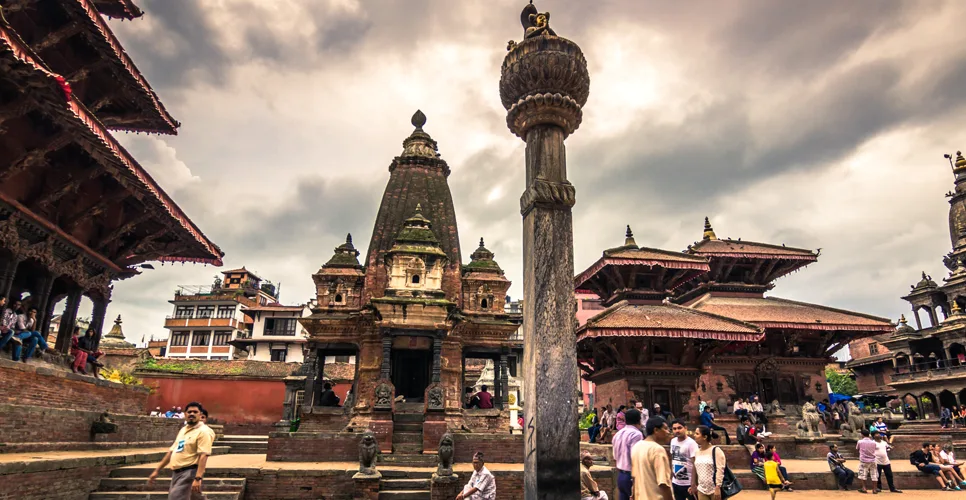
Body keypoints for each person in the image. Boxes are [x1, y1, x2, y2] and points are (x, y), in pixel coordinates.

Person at [148, 402, 214, 499]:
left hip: (189, 472)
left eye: (195, 412)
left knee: (175, 497)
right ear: (185, 414)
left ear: (200, 415)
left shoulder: (204, 432)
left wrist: (198, 478)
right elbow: (172, 451)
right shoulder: (184, 430)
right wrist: (157, 470)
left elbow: (204, 455)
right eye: (189, 412)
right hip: (177, 472)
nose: (192, 414)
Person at [630, 415, 672, 500]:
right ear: (656, 430)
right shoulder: (657, 450)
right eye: (665, 428)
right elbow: (663, 484)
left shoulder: (637, 446)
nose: (668, 432)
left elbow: (634, 478)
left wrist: (633, 495)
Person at [613, 408, 643, 500]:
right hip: (631, 475)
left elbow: (615, 456)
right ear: (639, 420)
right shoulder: (636, 434)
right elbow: (635, 457)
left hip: (621, 474)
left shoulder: (618, 434)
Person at [690, 425, 725, 500]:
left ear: (705, 437)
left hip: (714, 490)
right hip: (701, 490)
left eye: (697, 433)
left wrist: (718, 487)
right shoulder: (697, 452)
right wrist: (693, 485)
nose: (694, 435)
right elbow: (696, 469)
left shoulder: (716, 450)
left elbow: (720, 469)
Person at [669, 419, 697, 500]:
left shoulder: (691, 443)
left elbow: (695, 463)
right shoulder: (673, 441)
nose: (677, 430)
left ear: (685, 428)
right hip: (676, 482)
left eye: (679, 428)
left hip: (688, 483)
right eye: (674, 429)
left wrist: (693, 483)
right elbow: (672, 458)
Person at [856, 429, 879, 493]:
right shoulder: (874, 442)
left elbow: (857, 448)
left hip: (864, 460)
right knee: (874, 474)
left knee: (862, 474)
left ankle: (864, 488)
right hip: (873, 460)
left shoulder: (860, 442)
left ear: (862, 434)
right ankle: (874, 489)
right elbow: (875, 449)